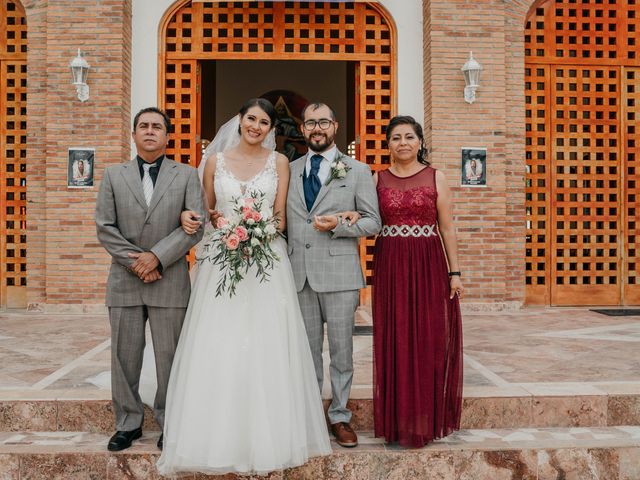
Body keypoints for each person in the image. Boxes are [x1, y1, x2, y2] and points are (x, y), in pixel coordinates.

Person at [157, 98, 332, 476]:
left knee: (268, 343)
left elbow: (281, 216)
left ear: (271, 129)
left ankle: (270, 434)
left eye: (264, 122)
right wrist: (210, 221)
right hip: (222, 261)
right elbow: (204, 211)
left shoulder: (280, 163)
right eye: (250, 118)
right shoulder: (215, 162)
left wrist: (260, 231)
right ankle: (213, 432)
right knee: (218, 340)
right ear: (239, 120)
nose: (256, 126)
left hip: (267, 260)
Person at [95, 107, 206, 452]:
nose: (149, 131)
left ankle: (169, 422)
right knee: (124, 357)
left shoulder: (187, 175)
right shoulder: (114, 175)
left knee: (169, 358)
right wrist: (138, 262)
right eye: (143, 126)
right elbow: (105, 227)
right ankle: (128, 424)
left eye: (157, 126)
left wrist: (157, 257)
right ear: (133, 134)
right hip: (125, 281)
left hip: (169, 279)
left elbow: (195, 226)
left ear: (167, 136)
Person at [286, 102, 381, 448]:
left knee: (341, 352)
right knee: (307, 351)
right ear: (302, 129)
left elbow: (373, 222)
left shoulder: (356, 170)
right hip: (299, 277)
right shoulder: (289, 169)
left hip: (340, 276)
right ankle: (311, 416)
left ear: (335, 126)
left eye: (323, 122)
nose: (317, 128)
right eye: (310, 123)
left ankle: (340, 416)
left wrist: (339, 224)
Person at [372, 115, 464, 448]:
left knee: (427, 337)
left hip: (428, 263)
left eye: (409, 137)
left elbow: (447, 227)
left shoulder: (436, 176)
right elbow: (369, 222)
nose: (403, 143)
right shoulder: (377, 179)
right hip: (391, 263)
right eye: (396, 138)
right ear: (388, 144)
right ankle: (396, 422)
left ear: (420, 141)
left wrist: (455, 273)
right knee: (395, 337)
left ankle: (425, 420)